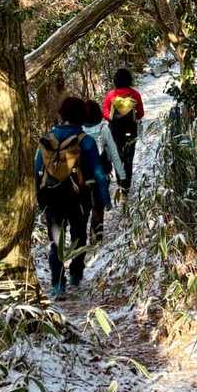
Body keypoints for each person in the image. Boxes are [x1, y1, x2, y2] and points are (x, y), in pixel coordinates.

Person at [34, 96, 102, 299]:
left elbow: (37, 170)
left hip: (52, 196)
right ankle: (75, 274)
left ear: (62, 113)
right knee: (79, 236)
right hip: (79, 197)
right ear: (82, 116)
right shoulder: (86, 141)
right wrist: (103, 199)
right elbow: (98, 173)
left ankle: (57, 284)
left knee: (56, 241)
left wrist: (40, 199)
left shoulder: (47, 140)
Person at [82, 99, 123, 244]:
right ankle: (96, 236)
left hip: (83, 175)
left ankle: (81, 238)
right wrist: (121, 173)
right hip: (102, 172)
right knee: (98, 206)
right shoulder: (104, 129)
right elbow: (113, 151)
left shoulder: (79, 130)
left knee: (85, 207)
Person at [102, 68, 144, 198]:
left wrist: (114, 119)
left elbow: (105, 114)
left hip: (114, 131)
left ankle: (120, 184)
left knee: (117, 157)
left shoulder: (110, 95)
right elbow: (141, 113)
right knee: (128, 159)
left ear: (115, 80)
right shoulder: (135, 94)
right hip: (130, 130)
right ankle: (126, 188)